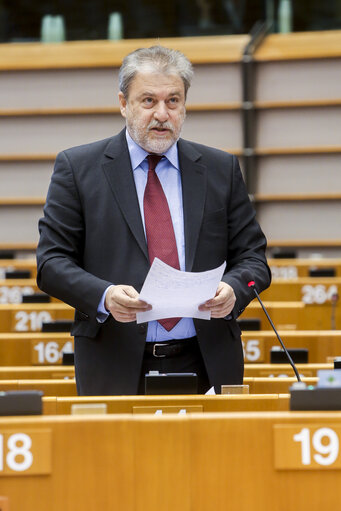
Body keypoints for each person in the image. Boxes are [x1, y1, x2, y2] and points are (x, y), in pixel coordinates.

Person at [37, 45, 271, 395]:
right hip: (114, 361)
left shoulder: (220, 169)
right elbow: (51, 264)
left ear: (184, 106)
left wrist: (234, 290)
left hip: (207, 361)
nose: (162, 114)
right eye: (148, 101)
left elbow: (254, 259)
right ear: (123, 104)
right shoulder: (78, 169)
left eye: (173, 101)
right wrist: (105, 296)